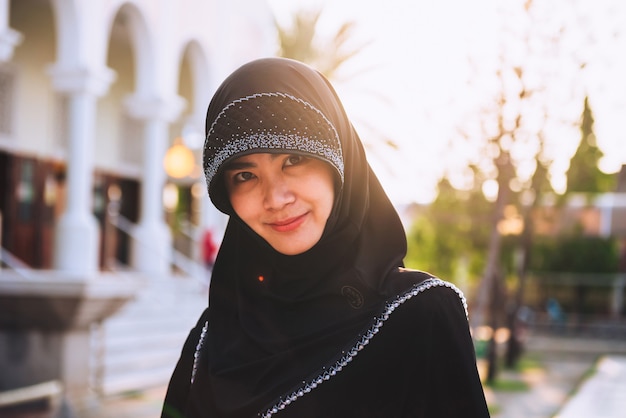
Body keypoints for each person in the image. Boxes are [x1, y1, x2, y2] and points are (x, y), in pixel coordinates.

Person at [162, 57, 490, 418]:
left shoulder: (419, 317)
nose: (275, 198)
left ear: (341, 164)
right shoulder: (211, 338)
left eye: (294, 159)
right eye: (244, 175)